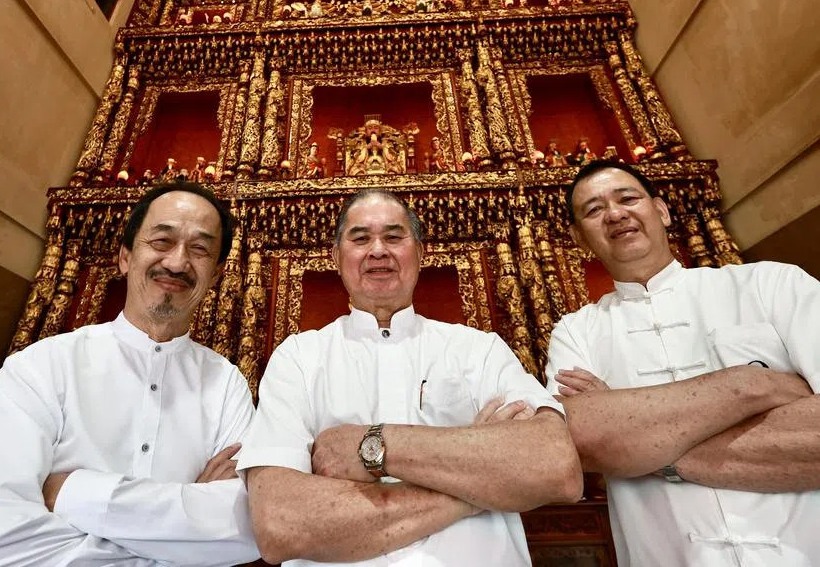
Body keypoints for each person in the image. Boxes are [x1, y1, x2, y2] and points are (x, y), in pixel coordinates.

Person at [546, 160, 820, 566]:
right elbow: (579, 444)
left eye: (628, 198)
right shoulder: (576, 332)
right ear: (578, 238)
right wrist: (754, 386)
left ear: (661, 211)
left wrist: (638, 444)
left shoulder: (772, 285)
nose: (614, 214)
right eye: (594, 210)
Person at [237, 188, 582, 566]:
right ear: (336, 257)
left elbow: (556, 467)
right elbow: (280, 524)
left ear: (420, 252)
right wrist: (479, 479)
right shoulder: (299, 359)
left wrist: (371, 446)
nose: (378, 250)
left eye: (393, 236)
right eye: (360, 238)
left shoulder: (479, 350)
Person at [0, 182, 259, 566]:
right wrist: (187, 533)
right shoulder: (42, 367)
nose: (177, 263)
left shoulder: (226, 385)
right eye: (162, 241)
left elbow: (252, 523)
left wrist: (74, 493)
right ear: (125, 257)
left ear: (215, 275)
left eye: (199, 249)